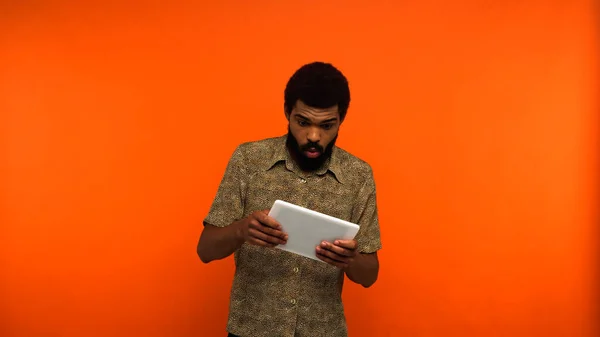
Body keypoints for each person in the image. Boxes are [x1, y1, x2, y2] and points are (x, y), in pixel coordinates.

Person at [197, 61, 382, 337]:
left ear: (341, 119)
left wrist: (350, 259)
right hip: (250, 330)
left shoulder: (359, 176)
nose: (313, 136)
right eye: (303, 122)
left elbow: (369, 276)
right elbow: (205, 250)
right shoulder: (248, 160)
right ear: (287, 112)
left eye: (327, 125)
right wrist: (241, 230)